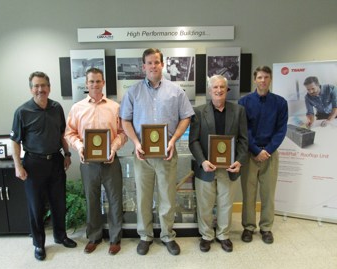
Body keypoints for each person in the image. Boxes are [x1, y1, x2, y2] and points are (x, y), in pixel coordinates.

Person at [120, 48, 194, 256]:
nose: (153, 66)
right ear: (143, 66)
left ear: (163, 64)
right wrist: (135, 142)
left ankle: (167, 235)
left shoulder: (176, 91)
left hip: (166, 154)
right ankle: (145, 235)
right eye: (149, 63)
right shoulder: (133, 92)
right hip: (142, 155)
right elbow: (124, 120)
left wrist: (172, 140)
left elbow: (186, 117)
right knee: (143, 197)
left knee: (167, 197)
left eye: (156, 62)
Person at [10, 71, 77, 261]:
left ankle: (60, 235)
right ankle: (39, 244)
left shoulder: (56, 108)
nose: (40, 89)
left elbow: (62, 133)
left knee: (59, 202)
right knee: (36, 206)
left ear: (49, 87)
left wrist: (67, 154)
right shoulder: (22, 111)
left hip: (55, 161)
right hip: (33, 164)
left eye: (44, 86)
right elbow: (15, 141)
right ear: (31, 89)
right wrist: (18, 166)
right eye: (36, 86)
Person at [65, 68, 127, 255]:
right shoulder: (77, 108)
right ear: (86, 84)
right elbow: (70, 133)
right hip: (88, 163)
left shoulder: (115, 107)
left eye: (98, 81)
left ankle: (115, 239)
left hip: (110, 160)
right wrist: (80, 147)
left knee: (115, 200)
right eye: (91, 81)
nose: (95, 85)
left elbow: (123, 132)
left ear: (103, 83)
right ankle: (94, 237)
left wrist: (113, 148)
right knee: (92, 200)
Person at [189, 75, 248, 253]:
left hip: (229, 168)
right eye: (215, 87)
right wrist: (203, 161)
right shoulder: (199, 112)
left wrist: (239, 161)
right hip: (207, 167)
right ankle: (206, 235)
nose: (219, 90)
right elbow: (193, 141)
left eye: (222, 87)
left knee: (226, 204)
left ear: (227, 90)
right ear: (209, 90)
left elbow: (244, 140)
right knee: (205, 204)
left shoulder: (238, 111)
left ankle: (223, 235)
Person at [238, 66, 288, 244]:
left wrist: (267, 150)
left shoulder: (280, 103)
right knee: (249, 193)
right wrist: (256, 150)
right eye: (259, 77)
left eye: (266, 77)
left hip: (270, 154)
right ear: (254, 79)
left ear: (270, 79)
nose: (263, 80)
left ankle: (266, 228)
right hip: (250, 154)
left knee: (268, 193)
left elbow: (281, 129)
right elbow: (243, 130)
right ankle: (248, 227)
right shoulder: (244, 102)